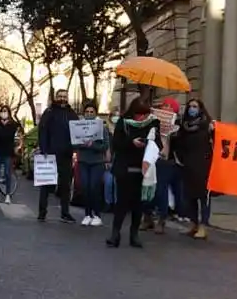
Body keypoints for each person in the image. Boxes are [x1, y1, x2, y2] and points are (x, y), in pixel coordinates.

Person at [107, 97, 161, 248]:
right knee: (122, 203)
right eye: (138, 114)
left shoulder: (153, 123)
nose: (141, 118)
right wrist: (131, 142)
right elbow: (116, 144)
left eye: (144, 114)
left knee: (139, 204)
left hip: (143, 169)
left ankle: (134, 234)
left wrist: (151, 142)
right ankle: (115, 233)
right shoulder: (123, 122)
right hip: (125, 167)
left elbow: (158, 143)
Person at [173, 98, 214, 240]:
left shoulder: (207, 126)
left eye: (195, 106)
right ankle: (194, 223)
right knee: (189, 197)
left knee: (203, 197)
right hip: (188, 165)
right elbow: (178, 143)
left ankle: (203, 225)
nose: (192, 109)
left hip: (203, 165)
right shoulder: (183, 126)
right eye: (190, 106)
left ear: (200, 109)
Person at [143, 97, 184, 234]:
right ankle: (147, 217)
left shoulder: (178, 127)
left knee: (161, 190)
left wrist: (169, 134)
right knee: (148, 189)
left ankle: (161, 219)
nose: (165, 108)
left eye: (169, 106)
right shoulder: (153, 123)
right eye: (164, 106)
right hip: (151, 159)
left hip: (167, 162)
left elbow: (179, 146)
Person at [37, 89, 79, 222]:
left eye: (65, 96)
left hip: (66, 155)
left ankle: (65, 213)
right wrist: (44, 149)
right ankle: (42, 212)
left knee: (65, 185)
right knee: (46, 185)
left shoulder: (72, 113)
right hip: (50, 154)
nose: (62, 99)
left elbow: (78, 133)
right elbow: (42, 131)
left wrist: (75, 150)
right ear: (56, 97)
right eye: (60, 96)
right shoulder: (49, 112)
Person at [73, 101, 110, 227]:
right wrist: (82, 144)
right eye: (87, 112)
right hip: (83, 161)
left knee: (94, 187)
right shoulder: (78, 127)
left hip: (97, 162)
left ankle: (97, 215)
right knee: (85, 188)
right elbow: (74, 143)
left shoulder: (102, 127)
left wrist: (92, 145)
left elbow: (105, 145)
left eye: (91, 112)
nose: (89, 114)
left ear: (96, 113)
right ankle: (87, 214)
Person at [0, 105, 20, 204]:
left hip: (8, 151)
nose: (3, 113)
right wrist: (1, 136)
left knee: (7, 173)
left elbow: (10, 136)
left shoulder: (13, 124)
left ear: (9, 113)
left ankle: (7, 195)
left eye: (5, 111)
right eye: (2, 111)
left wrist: (0, 136)